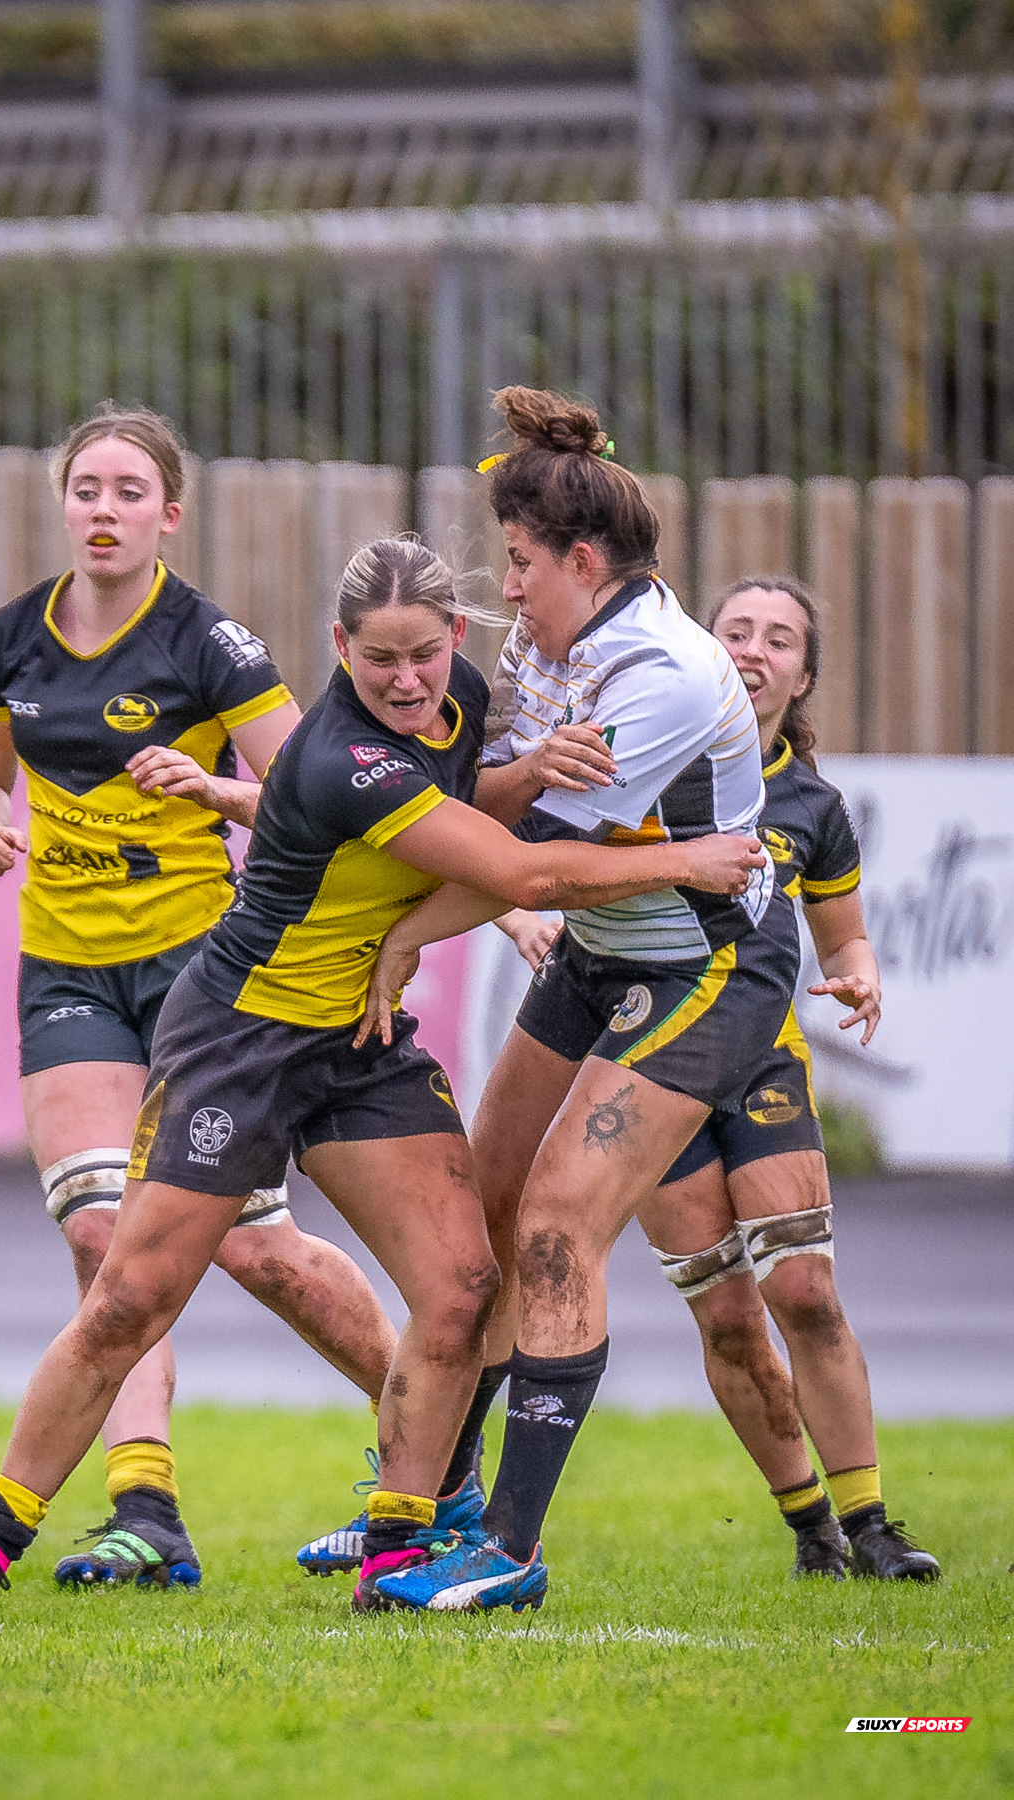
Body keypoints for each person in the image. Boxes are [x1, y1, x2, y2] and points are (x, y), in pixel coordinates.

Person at [0, 533, 764, 1614]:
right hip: (242, 1038)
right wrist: (685, 859)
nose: (404, 681)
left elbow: (468, 804)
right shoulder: (342, 756)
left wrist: (526, 772)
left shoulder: (463, 702)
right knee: (130, 1297)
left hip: (360, 1040)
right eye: (378, 659)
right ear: (338, 647)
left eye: (423, 655)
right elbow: (521, 874)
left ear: (455, 637)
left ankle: (397, 1551)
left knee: (461, 1289)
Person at [343, 388, 811, 1615]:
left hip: (702, 965)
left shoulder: (660, 672)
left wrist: (402, 937)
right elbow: (482, 799)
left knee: (555, 1226)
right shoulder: (546, 645)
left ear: (582, 562)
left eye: (518, 562)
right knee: (484, 1209)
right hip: (603, 947)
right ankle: (436, 1504)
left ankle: (508, 1547)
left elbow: (531, 865)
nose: (506, 587)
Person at [0, 402, 399, 1595]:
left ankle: (434, 1437)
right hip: (67, 972)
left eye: (128, 491)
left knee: (255, 1249)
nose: (104, 510)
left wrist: (213, 791)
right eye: (86, 488)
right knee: (103, 1236)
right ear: (63, 503)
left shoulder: (212, 644)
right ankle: (145, 1511)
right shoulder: (9, 640)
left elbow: (314, 790)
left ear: (169, 514)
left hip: (205, 978)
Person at [634, 576, 939, 1581]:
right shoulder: (644, 765)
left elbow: (844, 937)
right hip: (640, 1068)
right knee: (725, 1316)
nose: (753, 650)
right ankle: (810, 1526)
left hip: (761, 1061)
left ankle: (872, 1526)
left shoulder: (811, 804)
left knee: (802, 1289)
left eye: (778, 639)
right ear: (702, 650)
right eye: (735, 631)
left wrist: (859, 974)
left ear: (801, 676)